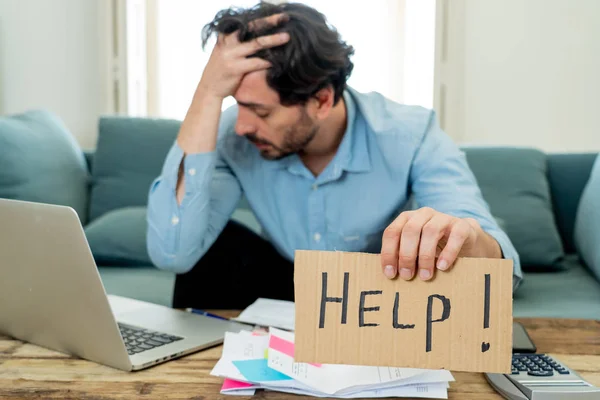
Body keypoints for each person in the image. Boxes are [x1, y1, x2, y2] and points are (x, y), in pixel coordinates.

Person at [146, 2, 522, 309]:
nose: (242, 125)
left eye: (260, 112)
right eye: (235, 103)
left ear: (322, 100)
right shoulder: (233, 135)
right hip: (284, 286)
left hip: (380, 294)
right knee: (219, 248)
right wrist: (207, 95)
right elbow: (173, 253)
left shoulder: (410, 133)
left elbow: (500, 270)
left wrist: (466, 239)